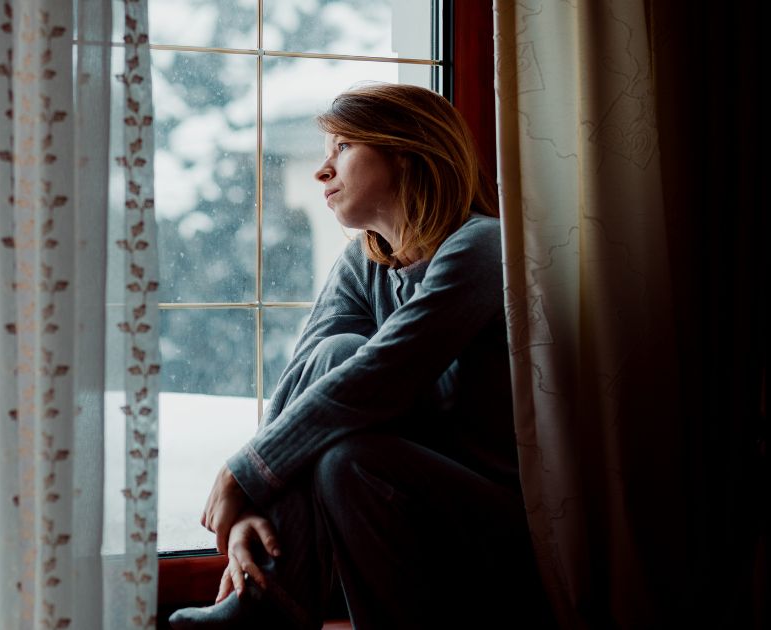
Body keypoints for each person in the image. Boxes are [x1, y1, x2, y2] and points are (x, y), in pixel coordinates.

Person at [168, 83, 552, 629]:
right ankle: (272, 604)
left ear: (407, 150)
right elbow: (304, 383)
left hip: (486, 524)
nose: (322, 172)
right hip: (383, 504)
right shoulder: (364, 262)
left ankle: (272, 610)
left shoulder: (483, 246)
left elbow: (383, 376)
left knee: (349, 425)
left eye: (343, 147)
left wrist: (241, 476)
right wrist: (250, 506)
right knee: (335, 368)